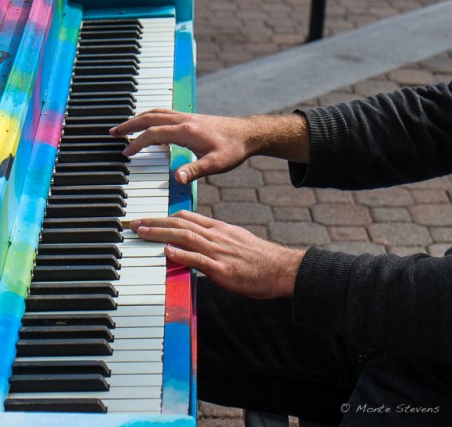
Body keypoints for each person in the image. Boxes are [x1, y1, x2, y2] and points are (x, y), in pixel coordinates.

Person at [109, 82, 452, 426]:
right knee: (148, 323)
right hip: (412, 324)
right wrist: (253, 134)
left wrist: (287, 270)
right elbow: (436, 117)